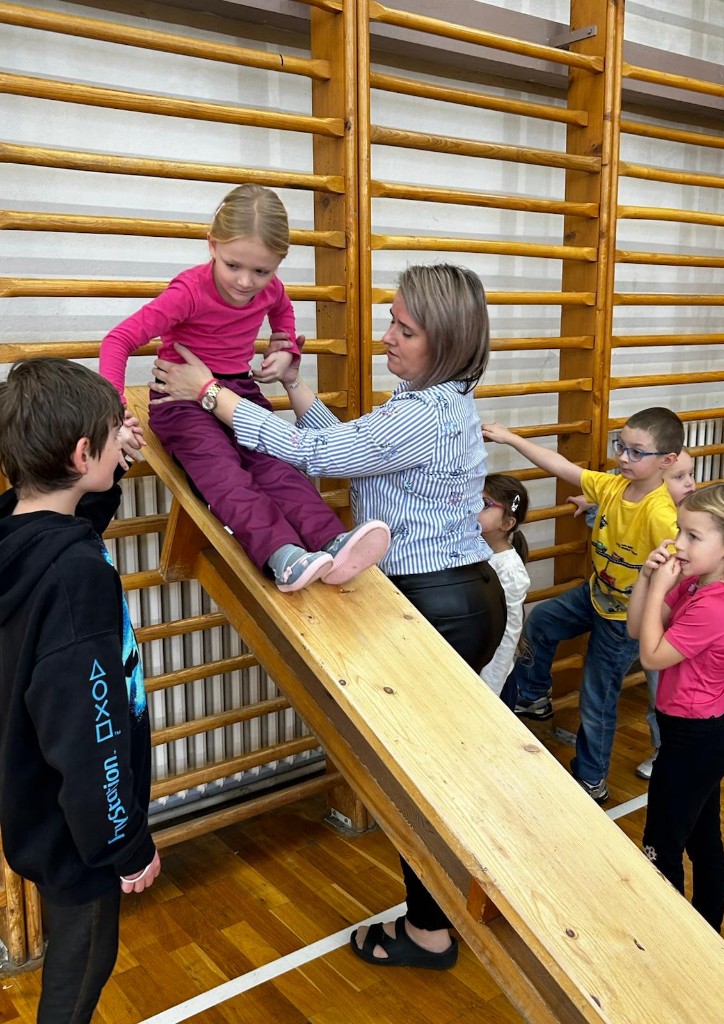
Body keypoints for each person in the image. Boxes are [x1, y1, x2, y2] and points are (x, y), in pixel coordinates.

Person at [151, 262, 507, 970]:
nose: (387, 338)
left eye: (405, 330)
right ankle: (437, 918)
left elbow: (316, 454)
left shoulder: (422, 412)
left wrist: (211, 393)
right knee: (430, 776)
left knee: (415, 786)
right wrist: (294, 387)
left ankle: (431, 932)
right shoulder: (436, 400)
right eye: (392, 322)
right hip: (461, 595)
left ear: (445, 341)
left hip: (434, 603)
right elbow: (358, 451)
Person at [99, 183, 389, 592]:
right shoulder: (188, 292)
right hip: (181, 402)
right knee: (226, 477)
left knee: (279, 468)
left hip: (239, 394)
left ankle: (331, 540)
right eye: (233, 265)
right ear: (212, 245)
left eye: (261, 271)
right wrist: (114, 413)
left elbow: (282, 312)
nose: (245, 281)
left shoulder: (271, 289)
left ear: (278, 263)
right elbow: (118, 340)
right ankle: (281, 554)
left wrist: (284, 349)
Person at [0, 358, 161, 1024]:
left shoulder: (16, 534)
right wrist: (125, 844)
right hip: (80, 825)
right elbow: (89, 735)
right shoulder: (75, 578)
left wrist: (110, 466)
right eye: (110, 433)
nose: (123, 437)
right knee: (85, 961)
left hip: (38, 800)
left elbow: (68, 522)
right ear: (79, 453)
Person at [483, 407, 684, 803]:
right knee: (542, 620)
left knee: (597, 699)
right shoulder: (612, 487)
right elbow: (560, 465)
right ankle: (534, 694)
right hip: (595, 594)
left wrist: (656, 619)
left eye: (636, 452)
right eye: (621, 447)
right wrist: (511, 438)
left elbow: (678, 572)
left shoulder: (661, 514)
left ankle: (592, 779)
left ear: (667, 460)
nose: (623, 457)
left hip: (624, 618)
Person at [626, 482, 724, 932]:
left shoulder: (717, 607)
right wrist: (647, 579)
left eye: (692, 536)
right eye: (679, 531)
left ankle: (674, 944)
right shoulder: (694, 585)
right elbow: (636, 628)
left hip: (696, 742)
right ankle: (708, 931)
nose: (677, 544)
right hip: (693, 737)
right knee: (703, 841)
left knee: (659, 846)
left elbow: (651, 657)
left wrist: (659, 588)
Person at [568, 449, 697, 779]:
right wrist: (592, 504)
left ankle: (663, 750)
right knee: (656, 690)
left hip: (670, 627)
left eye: (691, 475)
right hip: (641, 618)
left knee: (662, 695)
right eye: (679, 477)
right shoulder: (648, 507)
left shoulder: (686, 521)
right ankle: (659, 749)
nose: (690, 484)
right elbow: (619, 521)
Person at [478, 473, 531, 696]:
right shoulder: (472, 549)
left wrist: (489, 690)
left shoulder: (509, 569)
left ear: (507, 523)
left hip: (494, 683)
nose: (473, 507)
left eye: (484, 504)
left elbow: (509, 635)